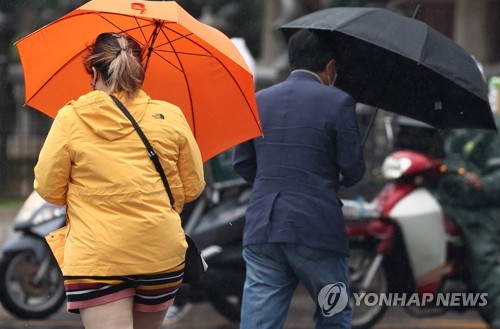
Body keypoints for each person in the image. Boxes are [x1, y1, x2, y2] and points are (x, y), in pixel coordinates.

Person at [34, 32, 205, 329]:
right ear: (138, 71)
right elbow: (194, 186)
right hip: (160, 253)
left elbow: (48, 188)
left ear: (95, 72)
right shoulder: (171, 115)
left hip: (97, 256)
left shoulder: (70, 118)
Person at [232, 28, 365, 329]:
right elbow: (353, 171)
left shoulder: (259, 100)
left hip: (263, 229)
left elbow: (242, 163)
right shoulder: (339, 102)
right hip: (318, 232)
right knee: (336, 316)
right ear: (330, 67)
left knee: (258, 324)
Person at [435, 113, 500, 329]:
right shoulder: (454, 132)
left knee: (483, 262)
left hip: (481, 212)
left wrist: (483, 183)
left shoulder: (493, 129)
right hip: (450, 206)